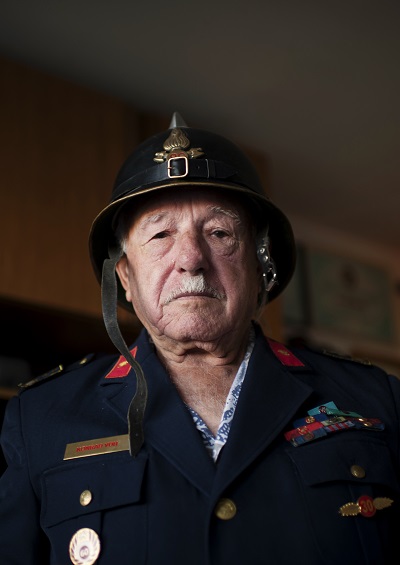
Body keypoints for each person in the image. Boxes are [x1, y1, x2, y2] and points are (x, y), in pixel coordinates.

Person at [0, 112, 399, 565]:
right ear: (125, 277)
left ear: (260, 267)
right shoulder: (41, 419)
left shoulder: (375, 400)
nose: (191, 258)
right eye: (160, 234)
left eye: (219, 232)